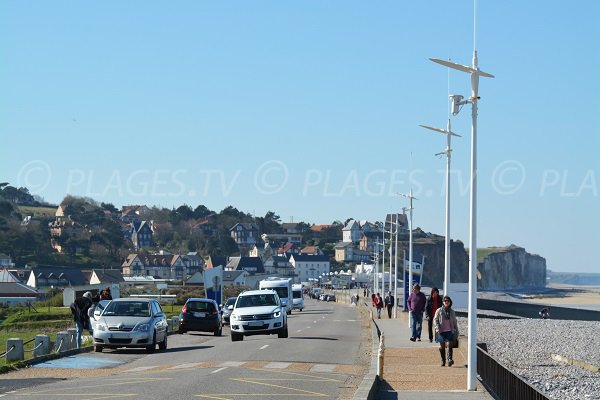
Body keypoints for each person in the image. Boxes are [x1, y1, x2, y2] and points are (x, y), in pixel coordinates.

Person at [433, 295, 459, 367]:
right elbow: (435, 320)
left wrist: (456, 330)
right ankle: (443, 360)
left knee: (449, 344)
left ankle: (450, 359)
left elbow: (454, 321)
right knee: (442, 346)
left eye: (448, 301)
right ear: (443, 302)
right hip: (441, 331)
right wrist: (437, 328)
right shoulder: (439, 310)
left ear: (450, 302)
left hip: (449, 331)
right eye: (445, 301)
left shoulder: (452, 311)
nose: (446, 302)